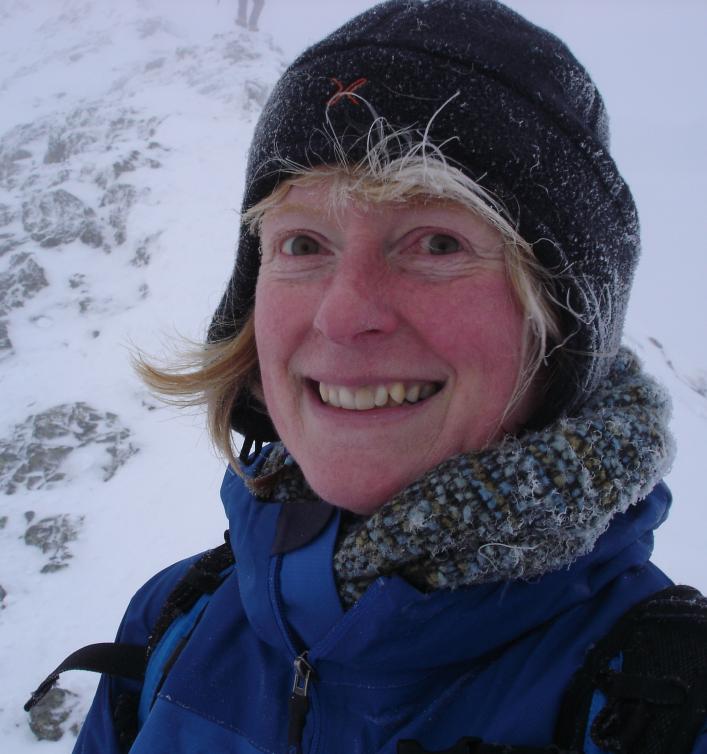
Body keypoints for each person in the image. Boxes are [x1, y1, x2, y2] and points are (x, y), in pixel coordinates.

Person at [66, 0, 707, 751]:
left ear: (560, 323)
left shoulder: (665, 707)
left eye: (436, 241)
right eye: (303, 243)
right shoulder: (178, 616)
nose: (342, 316)